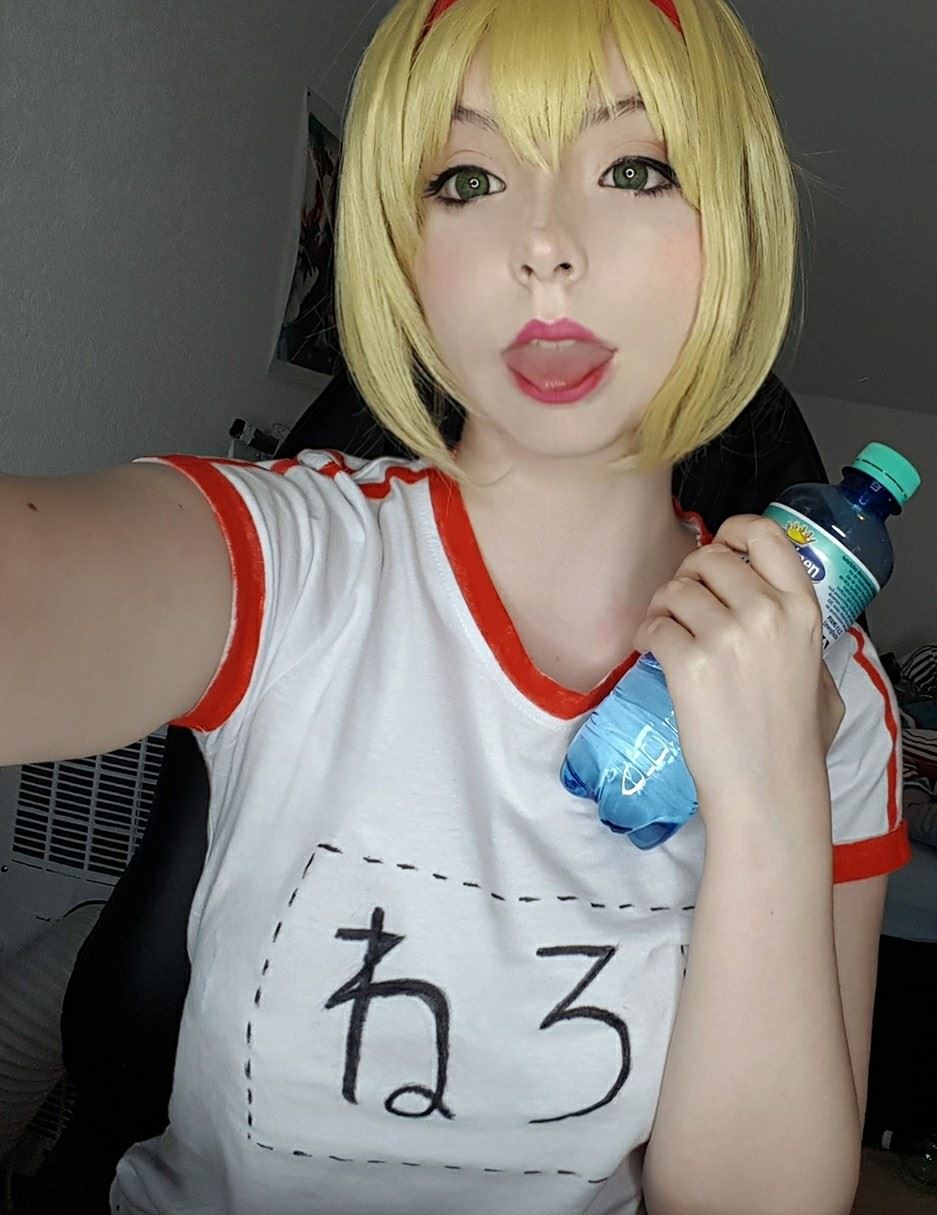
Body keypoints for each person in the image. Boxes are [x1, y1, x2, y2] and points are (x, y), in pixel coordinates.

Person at [1, 1, 910, 1213]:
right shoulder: (289, 558)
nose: (544, 246)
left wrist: (767, 797)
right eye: (468, 180)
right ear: (403, 248)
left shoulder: (832, 694)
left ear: (734, 228)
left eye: (633, 169)